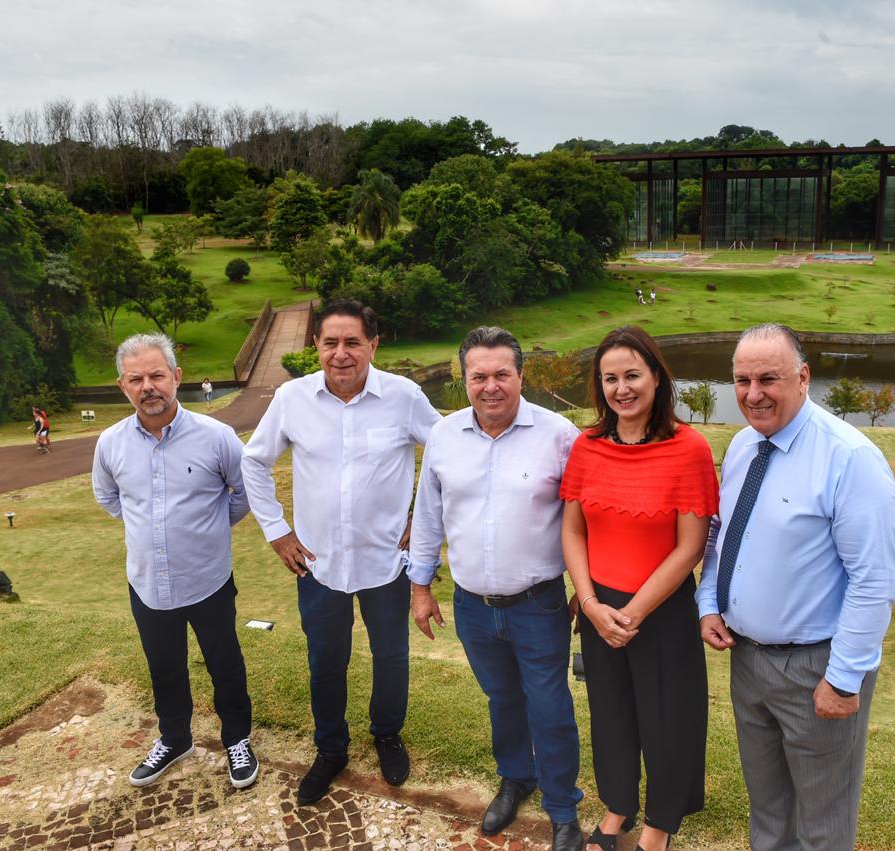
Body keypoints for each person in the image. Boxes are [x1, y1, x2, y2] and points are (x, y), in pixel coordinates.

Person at [697, 324, 895, 851]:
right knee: (767, 807)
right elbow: (723, 536)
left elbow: (874, 580)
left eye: (769, 378)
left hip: (817, 667)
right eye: (742, 380)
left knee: (822, 820)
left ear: (804, 377)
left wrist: (845, 678)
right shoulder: (744, 446)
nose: (753, 393)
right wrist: (709, 602)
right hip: (749, 660)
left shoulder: (849, 459)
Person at [241, 299, 440, 804]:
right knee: (325, 660)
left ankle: (387, 733)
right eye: (330, 342)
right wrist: (277, 531)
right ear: (316, 347)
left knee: (391, 656)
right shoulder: (292, 398)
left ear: (373, 345)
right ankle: (330, 749)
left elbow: (448, 454)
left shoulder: (404, 396)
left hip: (387, 563)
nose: (341, 353)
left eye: (353, 342)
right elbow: (254, 461)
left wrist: (423, 520)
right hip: (318, 563)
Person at [409, 327, 585, 851]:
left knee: (550, 707)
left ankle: (561, 808)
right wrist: (421, 588)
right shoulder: (443, 436)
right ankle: (516, 778)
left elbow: (586, 519)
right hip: (472, 606)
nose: (490, 386)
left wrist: (588, 587)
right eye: (478, 376)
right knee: (502, 699)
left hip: (540, 604)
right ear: (464, 379)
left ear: (520, 376)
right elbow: (427, 518)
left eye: (501, 374)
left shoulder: (559, 434)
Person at [559, 326, 718, 851]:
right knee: (611, 714)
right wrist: (590, 604)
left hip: (663, 610)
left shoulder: (688, 448)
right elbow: (573, 530)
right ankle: (619, 807)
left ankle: (659, 824)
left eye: (632, 375)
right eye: (610, 378)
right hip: (598, 604)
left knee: (668, 720)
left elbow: (689, 547)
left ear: (655, 377)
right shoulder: (587, 446)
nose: (621, 388)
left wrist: (632, 614)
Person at [92, 333, 258, 791]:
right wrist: (151, 528)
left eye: (157, 375)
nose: (149, 386)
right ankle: (175, 738)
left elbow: (243, 493)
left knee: (225, 664)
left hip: (207, 579)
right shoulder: (110, 443)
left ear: (177, 378)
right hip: (147, 583)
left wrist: (205, 530)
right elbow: (108, 496)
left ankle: (237, 740)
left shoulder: (216, 436)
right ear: (122, 385)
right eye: (136, 378)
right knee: (164, 666)